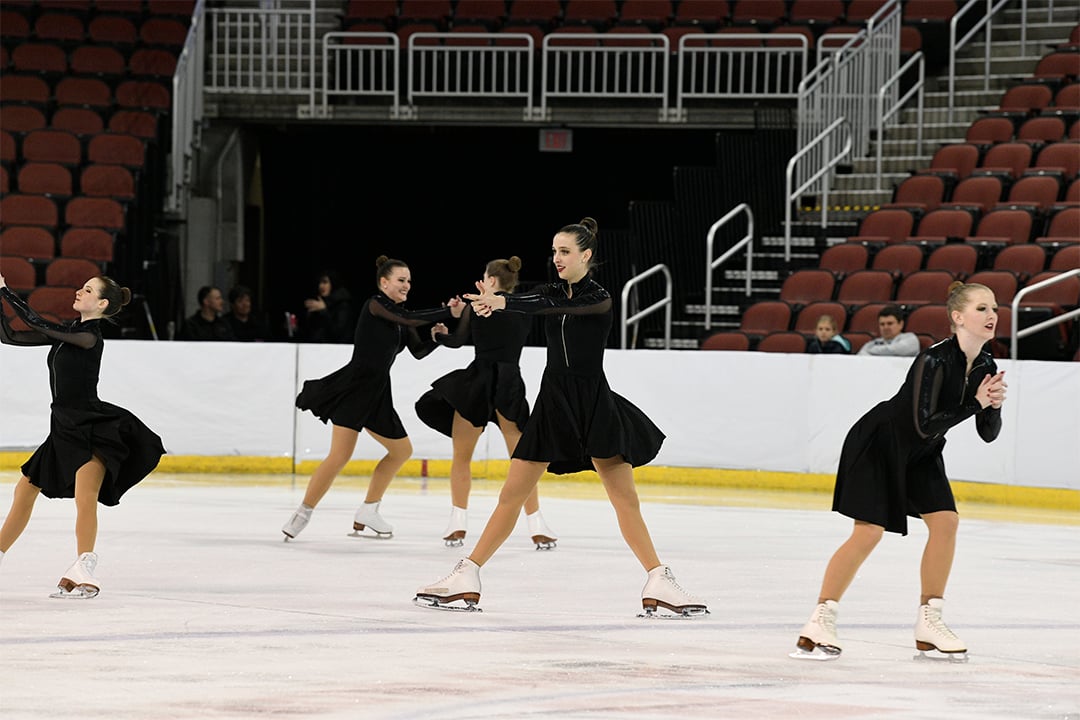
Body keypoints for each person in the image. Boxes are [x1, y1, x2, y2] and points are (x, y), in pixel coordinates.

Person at [414, 217, 709, 617]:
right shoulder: (549, 290)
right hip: (553, 404)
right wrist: (498, 302)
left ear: (586, 255)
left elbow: (556, 305)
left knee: (625, 499)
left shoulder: (599, 296)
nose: (557, 258)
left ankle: (659, 578)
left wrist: (504, 300)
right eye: (554, 251)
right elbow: (541, 301)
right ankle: (467, 574)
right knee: (511, 493)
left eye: (565, 251)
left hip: (593, 405)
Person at [791, 281, 1007, 662]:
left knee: (946, 523)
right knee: (868, 532)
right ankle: (819, 619)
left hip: (922, 453)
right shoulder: (933, 360)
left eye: (994, 308)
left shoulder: (987, 365)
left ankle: (929, 621)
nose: (992, 315)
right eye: (982, 309)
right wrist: (976, 403)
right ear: (958, 317)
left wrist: (993, 406)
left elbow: (987, 434)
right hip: (879, 443)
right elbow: (923, 423)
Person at [0, 273, 166, 598]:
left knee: (85, 497)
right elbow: (9, 336)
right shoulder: (71, 333)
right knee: (25, 490)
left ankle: (85, 567)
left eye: (88, 290)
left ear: (102, 304)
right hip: (63, 427)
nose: (79, 290)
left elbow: (36, 322)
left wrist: (5, 291)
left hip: (90, 426)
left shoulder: (90, 337)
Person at [281, 256, 463, 541]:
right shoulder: (375, 305)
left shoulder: (402, 319)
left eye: (409, 281)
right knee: (339, 456)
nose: (407, 285)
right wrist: (445, 311)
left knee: (402, 451)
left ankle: (369, 509)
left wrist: (437, 337)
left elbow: (417, 350)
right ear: (384, 282)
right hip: (356, 387)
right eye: (401, 280)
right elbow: (409, 317)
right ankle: (302, 513)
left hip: (378, 392)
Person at [414, 256, 557, 549]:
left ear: (491, 280)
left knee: (461, 457)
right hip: (509, 385)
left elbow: (456, 341)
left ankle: (457, 524)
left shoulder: (477, 308)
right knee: (523, 462)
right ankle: (536, 525)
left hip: (477, 383)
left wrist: (440, 334)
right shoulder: (523, 308)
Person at [302, 270, 357, 344]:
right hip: (315, 349)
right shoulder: (317, 303)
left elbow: (339, 333)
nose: (321, 286)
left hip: (336, 349)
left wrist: (324, 311)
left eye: (325, 282)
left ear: (333, 283)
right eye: (319, 283)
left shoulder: (342, 305)